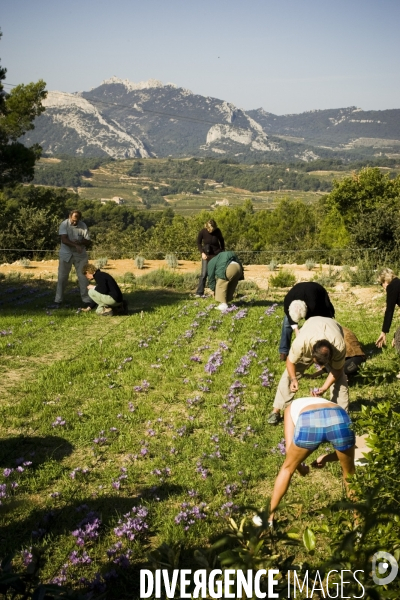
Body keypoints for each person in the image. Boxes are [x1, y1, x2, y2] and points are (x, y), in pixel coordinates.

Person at [268, 397, 355, 526]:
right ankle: (358, 522)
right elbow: (346, 455)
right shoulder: (329, 403)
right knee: (350, 473)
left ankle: (269, 518)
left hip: (309, 421)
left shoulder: (289, 409)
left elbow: (289, 450)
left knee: (287, 468)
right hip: (339, 417)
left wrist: (301, 469)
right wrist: (326, 458)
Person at [268, 316, 348, 425]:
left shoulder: (339, 346)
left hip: (333, 326)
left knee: (341, 379)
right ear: (311, 352)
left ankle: (340, 416)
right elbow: (290, 361)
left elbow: (337, 370)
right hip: (311, 324)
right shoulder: (301, 342)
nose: (318, 367)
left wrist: (324, 388)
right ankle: (276, 411)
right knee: (288, 374)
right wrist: (293, 379)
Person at [279, 282, 335, 361]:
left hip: (318, 292)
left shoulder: (313, 306)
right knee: (287, 324)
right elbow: (288, 314)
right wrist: (296, 329)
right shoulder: (287, 301)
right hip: (299, 291)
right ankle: (284, 351)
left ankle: (318, 349)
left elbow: (312, 322)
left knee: (321, 324)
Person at [54, 210, 91, 307]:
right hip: (66, 254)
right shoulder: (64, 224)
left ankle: (86, 300)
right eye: (73, 220)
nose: (75, 222)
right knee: (62, 277)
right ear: (69, 216)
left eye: (77, 221)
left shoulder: (83, 225)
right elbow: (64, 239)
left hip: (80, 255)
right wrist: (75, 245)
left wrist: (80, 243)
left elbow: (87, 240)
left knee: (83, 277)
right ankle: (58, 300)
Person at [195, 219, 225, 297]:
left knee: (216, 274)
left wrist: (222, 251)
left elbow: (222, 241)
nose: (211, 231)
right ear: (207, 227)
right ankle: (199, 293)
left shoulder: (218, 231)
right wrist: (202, 253)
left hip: (216, 255)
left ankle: (217, 292)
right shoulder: (203, 231)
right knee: (204, 274)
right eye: (209, 229)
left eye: (212, 229)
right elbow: (198, 242)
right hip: (206, 255)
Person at [375, 268, 400, 355]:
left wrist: (383, 332)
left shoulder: (392, 287)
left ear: (384, 280)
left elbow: (389, 310)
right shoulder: (398, 283)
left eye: (381, 283)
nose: (382, 286)